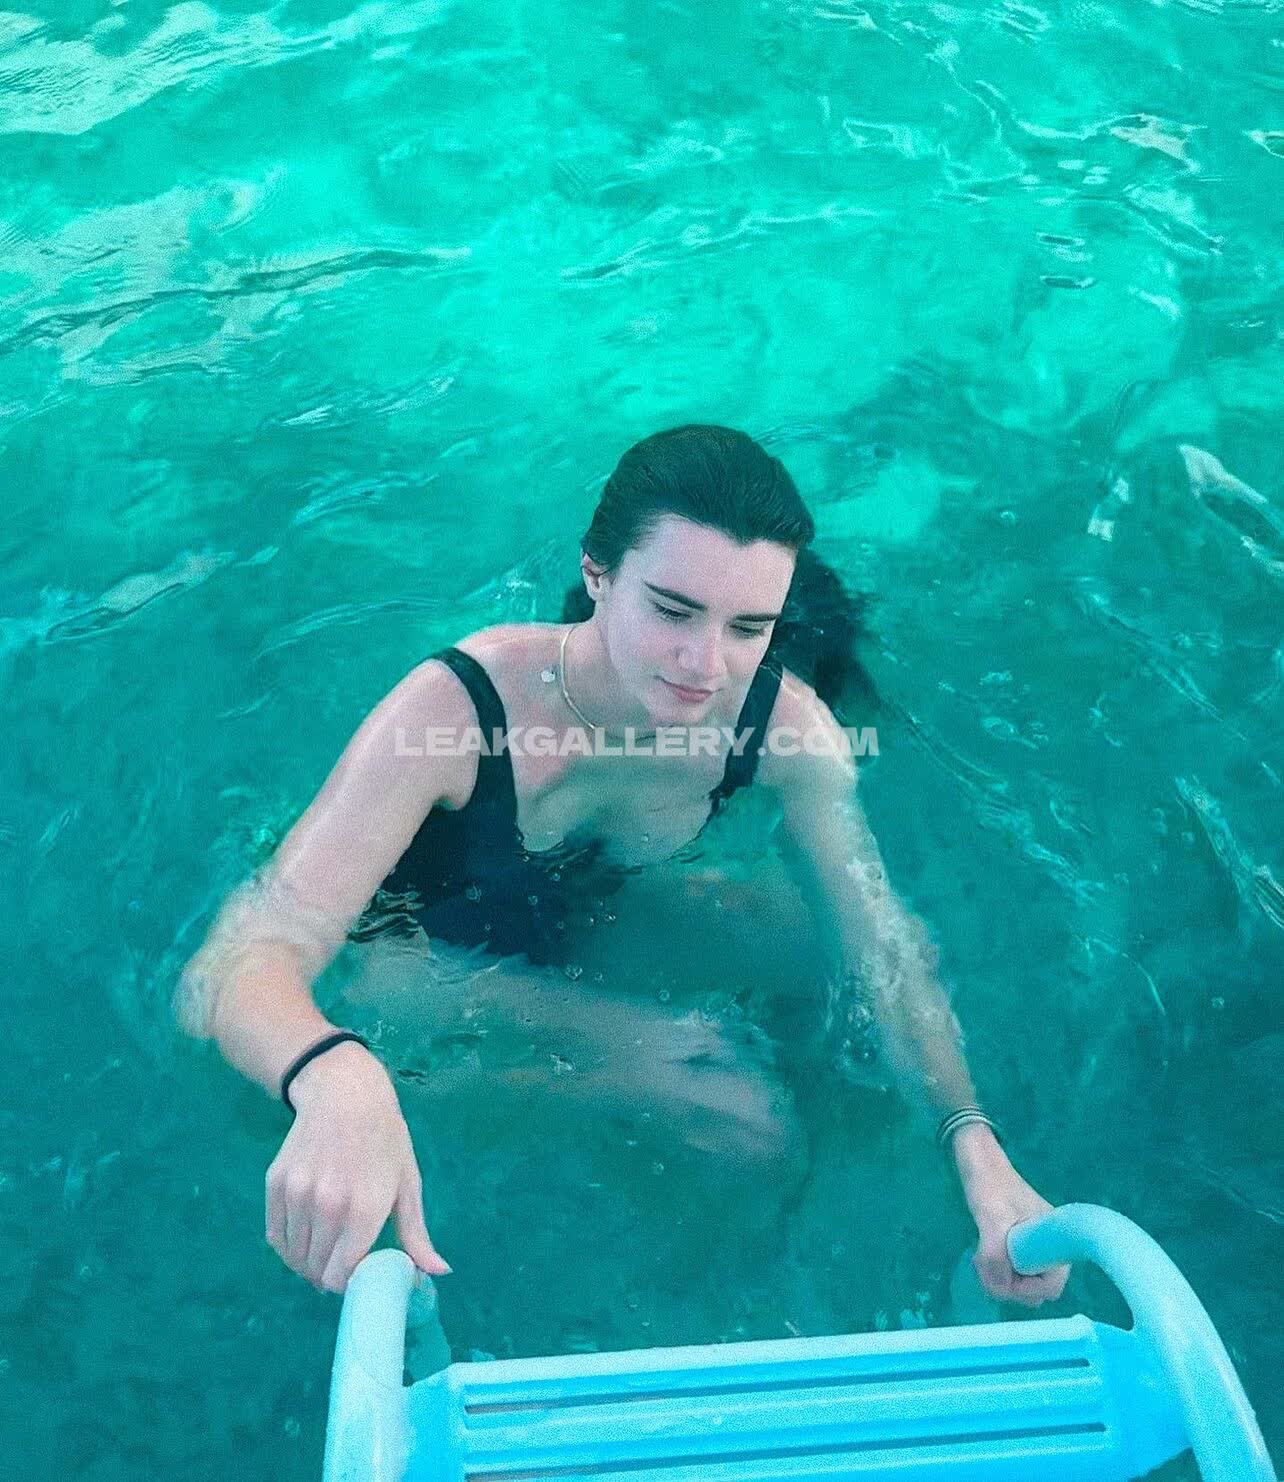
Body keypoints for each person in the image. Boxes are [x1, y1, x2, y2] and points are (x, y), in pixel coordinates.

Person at [177, 424, 1070, 1308]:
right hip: (402, 966)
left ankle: (790, 1140)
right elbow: (229, 970)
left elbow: (883, 949)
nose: (705, 666)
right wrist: (335, 1071)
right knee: (744, 1121)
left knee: (822, 939)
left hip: (572, 907)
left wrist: (975, 1145)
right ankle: (643, 1208)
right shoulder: (455, 710)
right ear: (597, 575)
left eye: (748, 627)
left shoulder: (785, 725)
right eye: (673, 611)